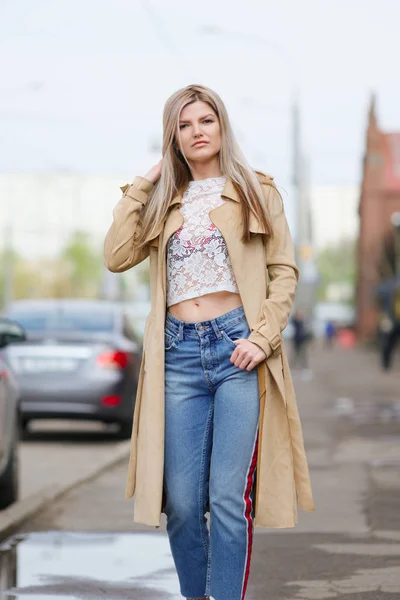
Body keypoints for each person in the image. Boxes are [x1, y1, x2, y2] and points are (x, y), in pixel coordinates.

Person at [104, 84, 314, 600]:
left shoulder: (255, 191)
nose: (197, 132)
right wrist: (144, 182)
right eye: (184, 125)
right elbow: (115, 256)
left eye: (205, 121)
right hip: (176, 355)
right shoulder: (161, 201)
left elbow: (284, 271)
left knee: (225, 498)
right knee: (180, 504)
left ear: (222, 127)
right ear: (172, 136)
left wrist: (261, 338)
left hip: (237, 352)